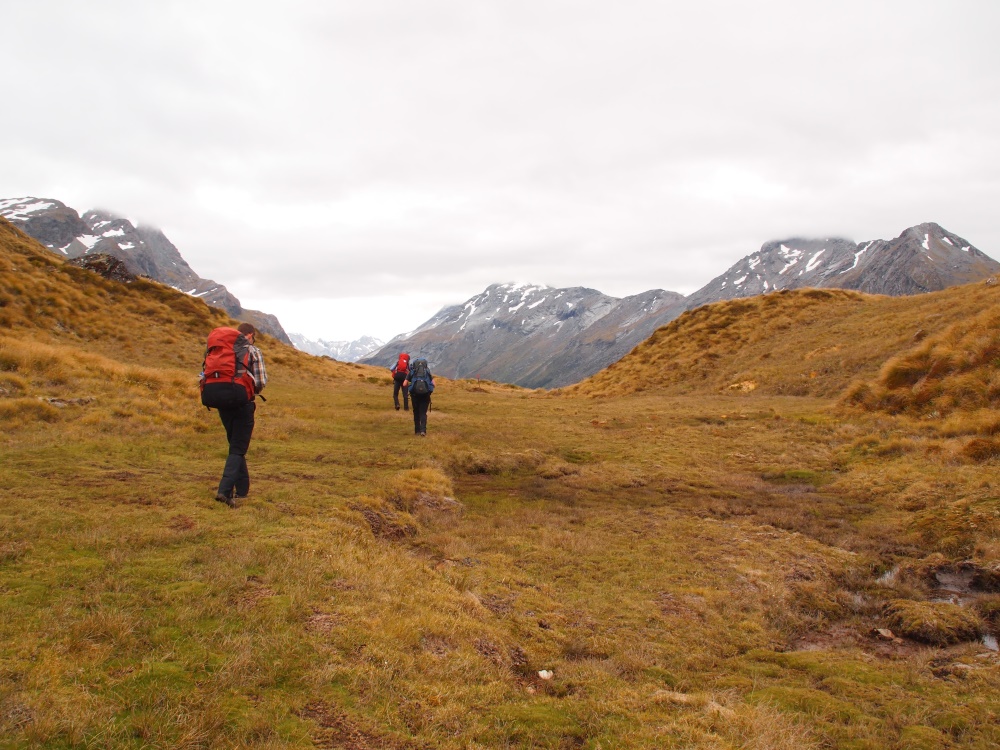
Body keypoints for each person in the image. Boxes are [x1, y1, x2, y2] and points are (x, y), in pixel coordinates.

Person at [214, 322, 267, 507]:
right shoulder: (253, 351)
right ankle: (224, 491)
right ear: (251, 334)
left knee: (235, 444)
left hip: (221, 402)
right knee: (238, 448)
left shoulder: (221, 349)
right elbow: (261, 381)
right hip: (243, 403)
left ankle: (242, 489)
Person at [405, 357, 434, 436]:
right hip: (425, 394)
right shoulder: (427, 371)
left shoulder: (412, 372)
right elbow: (433, 384)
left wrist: (411, 384)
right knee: (423, 413)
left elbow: (404, 384)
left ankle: (417, 431)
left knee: (416, 412)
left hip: (414, 395)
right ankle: (423, 431)